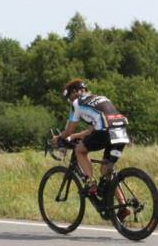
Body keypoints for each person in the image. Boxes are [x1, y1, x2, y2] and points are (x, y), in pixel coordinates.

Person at [52, 79, 131, 213]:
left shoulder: (77, 103)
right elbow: (93, 128)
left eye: (69, 97)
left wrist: (59, 138)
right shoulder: (101, 98)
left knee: (79, 150)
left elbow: (69, 130)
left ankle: (91, 184)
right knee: (106, 170)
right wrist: (74, 136)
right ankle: (123, 207)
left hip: (105, 132)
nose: (69, 101)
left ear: (75, 92)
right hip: (121, 132)